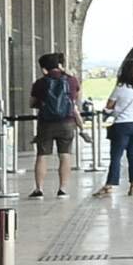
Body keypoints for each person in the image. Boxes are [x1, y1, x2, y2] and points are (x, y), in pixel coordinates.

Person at [96, 56, 133, 197]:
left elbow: (109, 106)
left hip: (124, 124)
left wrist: (109, 112)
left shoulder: (120, 88)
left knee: (116, 156)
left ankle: (109, 185)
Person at [27, 52, 78, 197]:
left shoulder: (40, 82)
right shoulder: (72, 81)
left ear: (44, 68)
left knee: (42, 155)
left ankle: (39, 189)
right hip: (67, 122)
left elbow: (31, 103)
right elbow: (75, 99)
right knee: (65, 154)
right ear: (59, 66)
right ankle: (63, 189)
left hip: (46, 123)